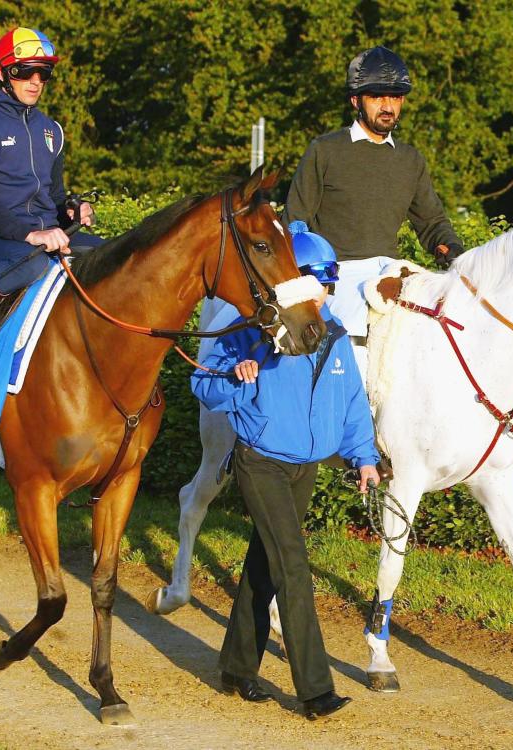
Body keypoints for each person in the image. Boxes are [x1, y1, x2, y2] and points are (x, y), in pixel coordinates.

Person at [191, 224, 380, 720]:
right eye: (320, 282)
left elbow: (352, 398)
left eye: (329, 283)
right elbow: (201, 384)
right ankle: (315, 691)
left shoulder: (334, 334)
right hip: (262, 462)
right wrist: (235, 378)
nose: (327, 293)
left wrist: (363, 455)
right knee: (293, 568)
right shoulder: (248, 328)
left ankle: (235, 668)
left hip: (306, 467)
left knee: (263, 568)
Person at [284, 45, 465, 374]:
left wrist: (451, 249)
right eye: (378, 97)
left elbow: (433, 222)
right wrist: (310, 278)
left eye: (395, 97)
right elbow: (295, 223)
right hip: (336, 277)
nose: (388, 106)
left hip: (389, 274)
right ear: (356, 100)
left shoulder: (410, 160)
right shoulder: (324, 151)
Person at [0, 27, 102, 361]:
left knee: (112, 256)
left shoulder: (52, 131)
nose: (35, 80)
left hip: (44, 235)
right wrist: (33, 234)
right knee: (32, 264)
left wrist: (72, 208)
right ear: (3, 74)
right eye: (24, 71)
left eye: (44, 72)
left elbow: (54, 196)